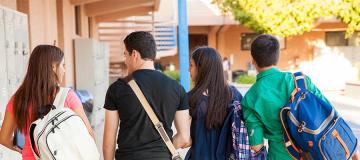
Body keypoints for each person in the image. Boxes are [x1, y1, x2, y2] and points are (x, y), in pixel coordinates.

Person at [241, 34, 359, 160]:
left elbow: (257, 146)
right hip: (314, 153)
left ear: (253, 60)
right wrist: (352, 149)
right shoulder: (300, 81)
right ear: (277, 56)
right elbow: (331, 113)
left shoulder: (250, 99)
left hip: (279, 155)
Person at [103, 31, 191, 160]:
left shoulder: (117, 88)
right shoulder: (177, 88)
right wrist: (159, 151)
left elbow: (108, 143)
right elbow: (184, 137)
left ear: (134, 54)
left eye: (125, 55)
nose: (125, 60)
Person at [0, 45, 94, 160]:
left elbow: (4, 138)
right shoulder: (67, 96)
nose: (64, 70)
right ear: (53, 67)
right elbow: (88, 134)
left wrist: (24, 151)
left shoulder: (18, 99)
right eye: (63, 65)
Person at [185, 47, 243, 160]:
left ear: (201, 69)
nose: (188, 69)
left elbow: (185, 140)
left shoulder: (190, 98)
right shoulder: (234, 94)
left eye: (191, 65)